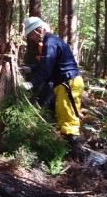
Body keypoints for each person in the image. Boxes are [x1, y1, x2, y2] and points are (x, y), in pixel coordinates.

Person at [20, 16, 84, 158]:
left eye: (31, 35)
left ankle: (75, 157)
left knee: (68, 120)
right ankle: (67, 152)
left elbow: (47, 69)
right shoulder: (53, 41)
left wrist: (31, 83)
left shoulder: (51, 43)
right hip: (65, 83)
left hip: (69, 84)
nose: (32, 39)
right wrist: (31, 69)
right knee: (62, 115)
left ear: (39, 30)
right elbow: (46, 64)